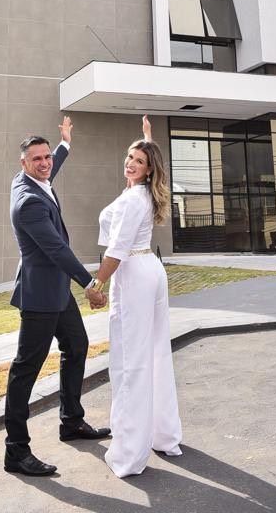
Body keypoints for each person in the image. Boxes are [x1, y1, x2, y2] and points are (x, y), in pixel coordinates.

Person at [4, 116, 109, 477]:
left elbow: (51, 168)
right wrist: (90, 283)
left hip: (57, 292)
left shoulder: (31, 179)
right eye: (37, 159)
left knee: (77, 346)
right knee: (25, 371)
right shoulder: (28, 203)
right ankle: (16, 451)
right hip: (39, 297)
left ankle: (71, 421)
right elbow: (57, 250)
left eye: (47, 156)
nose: (45, 163)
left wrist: (64, 144)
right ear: (23, 163)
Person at [90, 115, 182, 477]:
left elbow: (116, 250)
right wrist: (146, 138)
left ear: (148, 170)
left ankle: (129, 453)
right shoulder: (141, 192)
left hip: (133, 275)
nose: (130, 162)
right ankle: (162, 434)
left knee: (130, 361)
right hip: (150, 271)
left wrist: (97, 285)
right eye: (129, 156)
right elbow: (146, 161)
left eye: (138, 160)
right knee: (155, 353)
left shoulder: (133, 200)